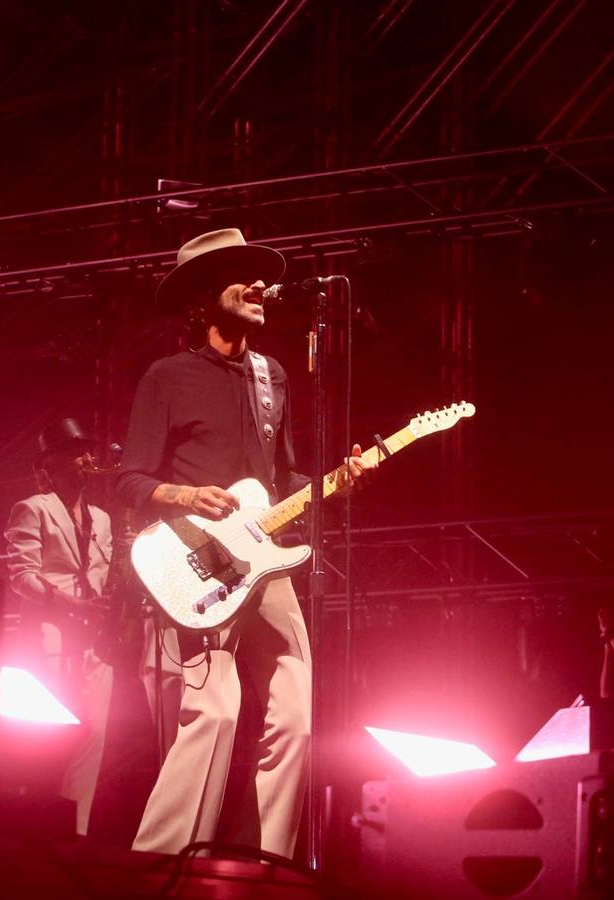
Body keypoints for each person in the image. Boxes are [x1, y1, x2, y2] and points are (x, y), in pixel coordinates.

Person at [116, 228, 373, 858]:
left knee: (297, 717)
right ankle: (163, 861)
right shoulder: (166, 377)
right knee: (216, 713)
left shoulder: (271, 375)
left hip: (265, 560)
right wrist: (185, 495)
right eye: (242, 275)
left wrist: (337, 483)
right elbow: (129, 480)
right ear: (203, 297)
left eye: (261, 276)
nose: (260, 285)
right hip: (198, 564)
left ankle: (267, 861)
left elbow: (282, 479)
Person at [4, 418, 113, 836]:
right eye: (76, 452)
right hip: (49, 636)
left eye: (88, 451)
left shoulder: (103, 518)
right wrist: (73, 604)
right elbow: (22, 577)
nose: (87, 458)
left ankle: (76, 833)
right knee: (46, 738)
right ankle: (33, 830)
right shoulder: (33, 508)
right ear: (52, 464)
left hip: (94, 640)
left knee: (95, 736)